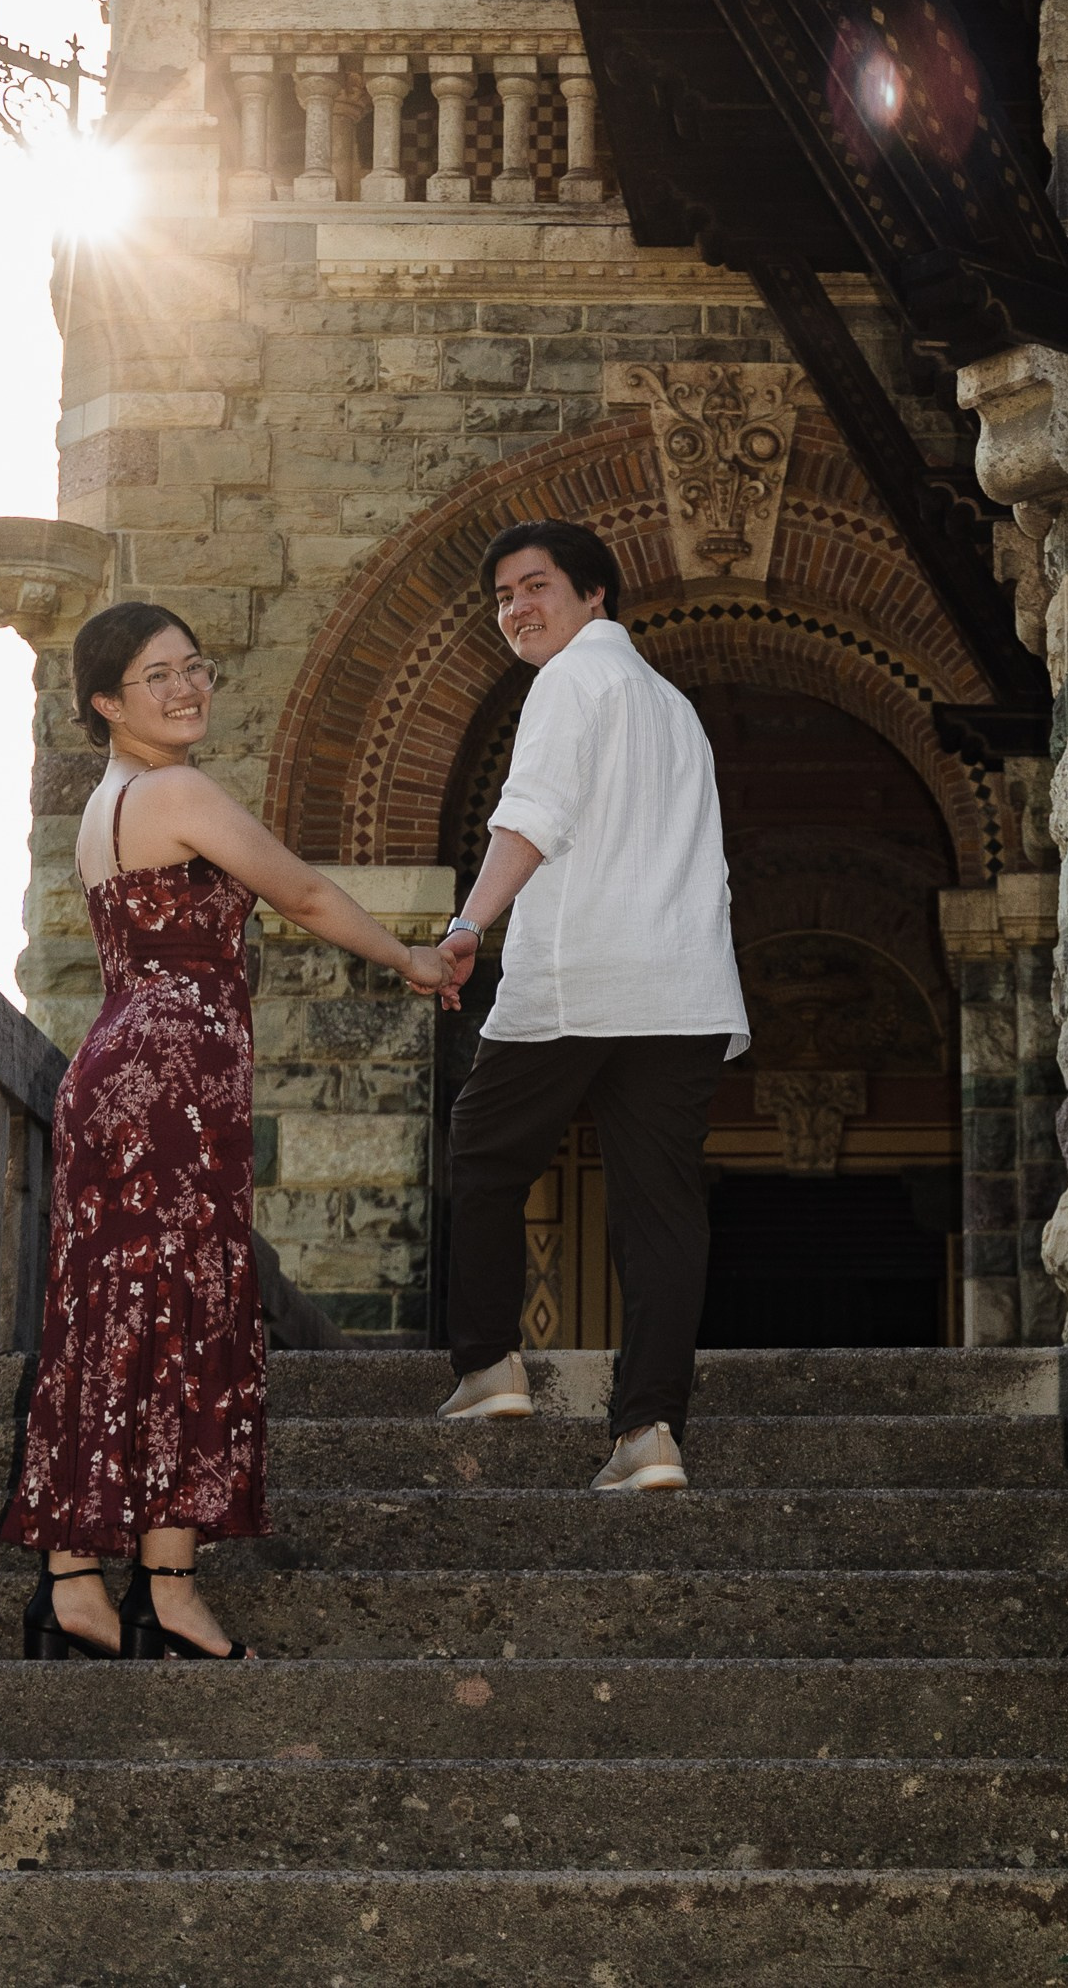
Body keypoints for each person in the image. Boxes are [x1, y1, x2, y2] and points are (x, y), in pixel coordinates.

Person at [0, 596, 456, 1658]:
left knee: (123, 1321)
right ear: (106, 703)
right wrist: (412, 959)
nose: (188, 687)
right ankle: (160, 1584)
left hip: (131, 1072)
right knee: (176, 1324)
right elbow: (294, 890)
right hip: (164, 1084)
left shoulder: (107, 804)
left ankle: (82, 1578)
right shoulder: (173, 790)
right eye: (158, 676)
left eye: (195, 666)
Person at [433, 519, 748, 1492]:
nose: (516, 609)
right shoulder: (673, 708)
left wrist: (467, 927)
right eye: (501, 598)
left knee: (484, 1156)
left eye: (535, 587)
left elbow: (531, 815)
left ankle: (488, 1363)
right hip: (681, 987)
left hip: (581, 979)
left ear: (593, 595)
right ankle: (649, 1432)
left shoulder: (569, 681)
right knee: (660, 1214)